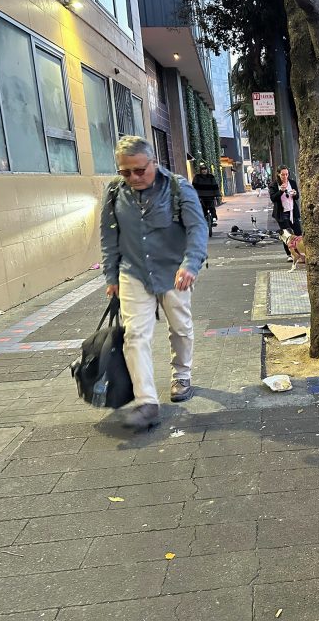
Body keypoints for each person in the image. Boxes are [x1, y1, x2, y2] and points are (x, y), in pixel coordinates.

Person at [100, 136, 208, 430]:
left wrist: (191, 264)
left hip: (174, 272)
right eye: (125, 172)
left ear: (153, 163)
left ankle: (182, 375)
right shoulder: (113, 193)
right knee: (135, 335)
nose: (133, 177)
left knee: (181, 327)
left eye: (139, 170)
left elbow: (198, 228)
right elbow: (109, 237)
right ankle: (146, 401)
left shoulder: (177, 188)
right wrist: (111, 275)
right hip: (133, 271)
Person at [269, 165, 302, 261]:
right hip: (282, 213)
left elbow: (297, 197)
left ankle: (299, 252)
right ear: (278, 175)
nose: (285, 177)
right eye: (283, 175)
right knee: (287, 234)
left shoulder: (292, 183)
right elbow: (273, 198)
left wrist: (295, 194)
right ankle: (290, 254)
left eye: (287, 174)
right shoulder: (274, 185)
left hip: (292, 211)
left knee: (298, 232)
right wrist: (281, 191)